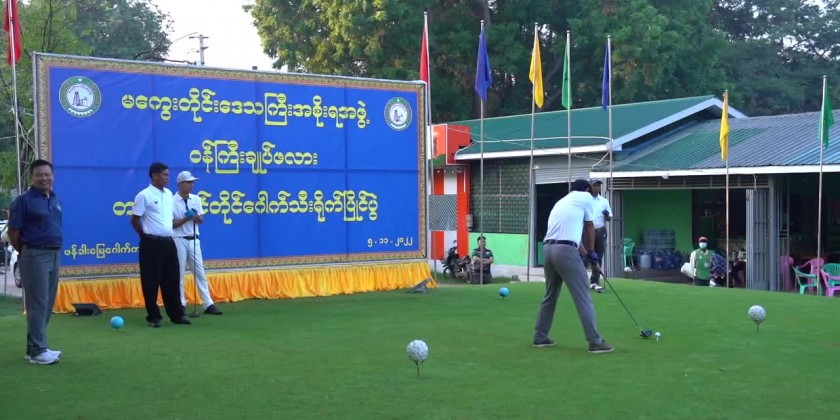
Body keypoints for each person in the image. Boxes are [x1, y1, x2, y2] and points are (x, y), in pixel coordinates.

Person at [533, 179, 613, 354]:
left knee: (550, 295)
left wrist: (589, 258)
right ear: (587, 189)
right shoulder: (586, 198)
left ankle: (540, 336)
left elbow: (573, 237)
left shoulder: (562, 202)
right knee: (583, 296)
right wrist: (592, 253)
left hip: (548, 249)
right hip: (565, 251)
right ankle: (595, 341)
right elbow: (590, 227)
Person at [7, 159, 63, 364]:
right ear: (31, 177)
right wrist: (26, 251)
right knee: (38, 303)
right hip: (34, 255)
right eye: (39, 175)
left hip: (53, 253)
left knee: (46, 302)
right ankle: (39, 351)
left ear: (53, 176)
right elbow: (13, 232)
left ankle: (34, 348)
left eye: (47, 174)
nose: (44, 178)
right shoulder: (23, 201)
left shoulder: (54, 198)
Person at [131, 162, 190, 327]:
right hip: (151, 243)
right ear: (155, 175)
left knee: (172, 279)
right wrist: (144, 235)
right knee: (151, 281)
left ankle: (176, 315)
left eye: (168, 175)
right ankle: (154, 316)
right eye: (164, 174)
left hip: (168, 242)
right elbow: (135, 219)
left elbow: (168, 220)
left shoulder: (169, 194)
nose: (167, 178)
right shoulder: (144, 195)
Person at [172, 171, 222, 315]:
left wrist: (195, 217)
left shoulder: (196, 199)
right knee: (179, 273)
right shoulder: (172, 201)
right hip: (179, 239)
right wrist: (185, 219)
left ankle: (208, 304)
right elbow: (171, 224)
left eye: (192, 182)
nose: (192, 185)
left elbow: (201, 219)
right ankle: (181, 304)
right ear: (180, 184)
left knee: (200, 272)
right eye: (189, 182)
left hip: (194, 239)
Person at [587, 178, 612, 293]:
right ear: (590, 187)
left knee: (598, 256)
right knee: (585, 256)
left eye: (598, 185)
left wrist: (606, 215)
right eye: (595, 185)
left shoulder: (604, 201)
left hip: (600, 230)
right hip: (588, 230)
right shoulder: (586, 200)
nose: (597, 187)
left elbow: (609, 218)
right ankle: (582, 281)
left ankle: (595, 281)